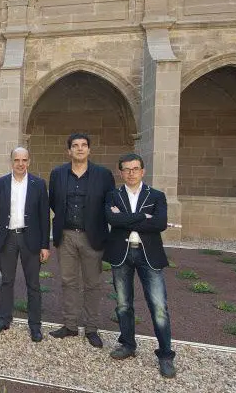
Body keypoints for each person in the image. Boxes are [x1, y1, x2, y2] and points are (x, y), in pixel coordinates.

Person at [105, 153, 176, 378]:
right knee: (124, 304)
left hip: (149, 255)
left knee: (158, 306)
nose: (131, 173)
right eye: (126, 169)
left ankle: (165, 354)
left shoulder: (157, 195)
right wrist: (142, 216)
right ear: (120, 172)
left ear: (143, 171)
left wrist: (126, 217)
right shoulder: (112, 195)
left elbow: (160, 223)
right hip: (121, 254)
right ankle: (127, 344)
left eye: (135, 169)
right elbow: (111, 220)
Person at [48, 133, 116, 348]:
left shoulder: (103, 174)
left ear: (89, 150)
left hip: (92, 236)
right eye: (75, 146)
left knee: (93, 283)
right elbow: (53, 202)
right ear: (69, 151)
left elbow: (110, 203)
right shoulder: (58, 174)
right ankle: (70, 325)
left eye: (84, 145)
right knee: (68, 281)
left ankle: (92, 328)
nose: (79, 149)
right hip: (66, 235)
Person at [0, 147, 50, 341]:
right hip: (7, 238)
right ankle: (4, 319)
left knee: (33, 284)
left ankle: (35, 326)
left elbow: (44, 216)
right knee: (6, 281)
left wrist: (45, 245)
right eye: (17, 160)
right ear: (11, 161)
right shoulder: (0, 183)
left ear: (29, 162)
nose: (20, 164)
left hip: (30, 238)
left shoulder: (39, 184)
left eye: (24, 160)